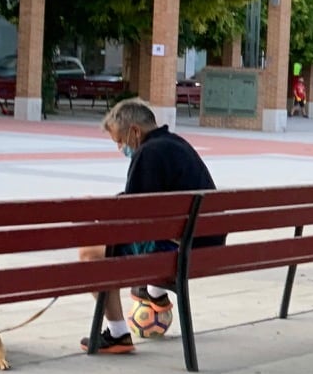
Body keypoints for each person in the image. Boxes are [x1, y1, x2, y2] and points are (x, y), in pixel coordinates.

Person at [77, 98, 215, 354]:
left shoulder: (147, 153)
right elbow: (143, 202)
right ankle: (153, 292)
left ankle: (118, 333)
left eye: (119, 140)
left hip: (181, 251)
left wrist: (98, 215)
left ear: (135, 131)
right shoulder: (177, 144)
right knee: (142, 237)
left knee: (91, 253)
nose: (120, 147)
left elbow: (133, 217)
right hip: (207, 245)